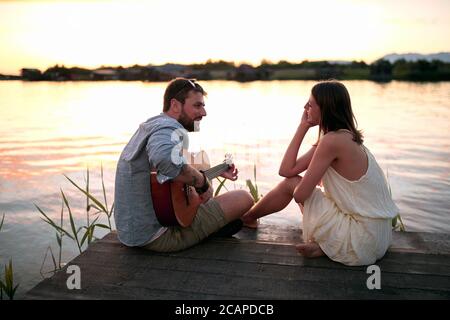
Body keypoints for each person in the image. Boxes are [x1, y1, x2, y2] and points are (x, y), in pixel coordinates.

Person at [242, 80, 399, 266]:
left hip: (361, 240)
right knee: (295, 181)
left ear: (324, 108)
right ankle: (326, 246)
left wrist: (310, 183)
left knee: (293, 184)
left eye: (310, 104)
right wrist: (303, 126)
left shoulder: (331, 142)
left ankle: (247, 218)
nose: (305, 107)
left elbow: (299, 193)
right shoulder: (344, 137)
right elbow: (285, 170)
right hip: (379, 238)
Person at [114, 78, 254, 252]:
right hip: (160, 236)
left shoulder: (151, 126)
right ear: (175, 105)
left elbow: (163, 181)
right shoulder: (169, 129)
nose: (204, 112)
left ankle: (210, 227)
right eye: (197, 106)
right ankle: (210, 230)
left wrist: (212, 173)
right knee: (244, 198)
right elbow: (166, 160)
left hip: (134, 233)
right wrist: (202, 183)